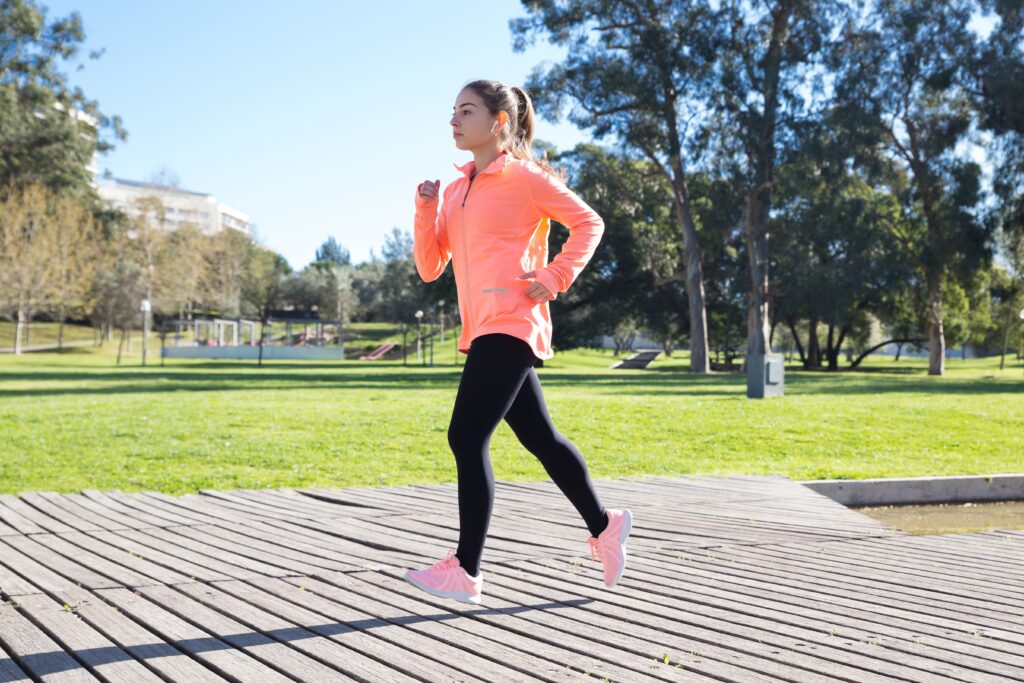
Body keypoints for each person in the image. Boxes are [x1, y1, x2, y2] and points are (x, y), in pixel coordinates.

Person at [403, 79, 633, 606]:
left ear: (499, 122)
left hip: (513, 322)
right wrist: (425, 210)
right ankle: (605, 524)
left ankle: (466, 569)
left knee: (465, 437)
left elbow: (588, 224)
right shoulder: (457, 189)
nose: (454, 120)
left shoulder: (525, 178)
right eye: (453, 112)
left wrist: (554, 278)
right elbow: (429, 267)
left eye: (466, 111)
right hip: (481, 327)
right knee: (541, 439)